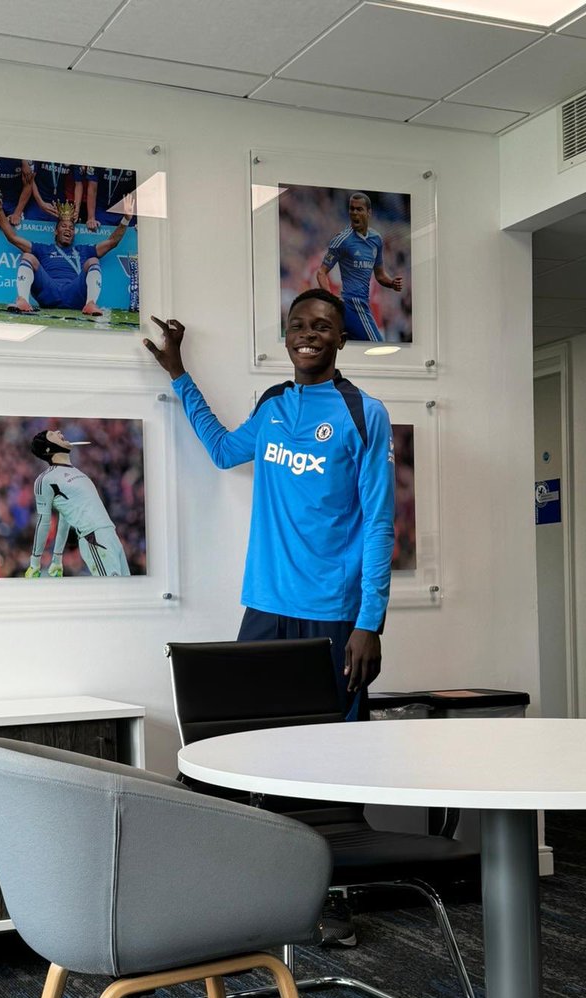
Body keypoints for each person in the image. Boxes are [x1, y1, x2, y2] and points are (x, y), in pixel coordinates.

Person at [144, 288, 395, 720]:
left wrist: (369, 623)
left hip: (332, 610)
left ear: (341, 339)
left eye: (321, 326)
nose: (307, 335)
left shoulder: (363, 412)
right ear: (285, 337)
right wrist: (179, 375)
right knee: (255, 734)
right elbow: (223, 450)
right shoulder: (273, 404)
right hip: (265, 604)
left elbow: (379, 524)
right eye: (297, 325)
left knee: (336, 742)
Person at [0, 191, 134, 318]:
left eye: (71, 227)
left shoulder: (84, 250)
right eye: (63, 226)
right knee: (28, 257)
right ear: (56, 231)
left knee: (93, 260)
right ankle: (22, 301)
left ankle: (90, 304)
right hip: (49, 292)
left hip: (74, 294)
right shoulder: (43, 249)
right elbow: (12, 238)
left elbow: (112, 242)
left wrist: (126, 219)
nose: (68, 229)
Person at [24, 430, 130, 579]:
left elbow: (65, 517)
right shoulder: (46, 479)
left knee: (126, 591)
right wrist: (35, 563)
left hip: (110, 535)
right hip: (94, 538)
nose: (58, 431)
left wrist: (57, 558)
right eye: (52, 434)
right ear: (48, 449)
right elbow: (43, 522)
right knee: (111, 593)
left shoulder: (77, 471)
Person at [315, 193, 402, 342]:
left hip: (371, 313)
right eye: (352, 209)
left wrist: (391, 283)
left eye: (359, 209)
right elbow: (321, 272)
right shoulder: (342, 241)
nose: (354, 213)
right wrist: (331, 298)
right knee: (377, 347)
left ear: (369, 212)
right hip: (352, 305)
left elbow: (380, 276)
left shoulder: (376, 240)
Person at [73, 164, 138, 231]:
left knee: (131, 233)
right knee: (96, 232)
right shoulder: (98, 160)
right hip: (101, 208)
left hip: (124, 209)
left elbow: (140, 187)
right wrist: (91, 218)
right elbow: (92, 188)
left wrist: (141, 220)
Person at [0, 156, 30, 226]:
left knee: (18, 225)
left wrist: (17, 213)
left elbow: (29, 185)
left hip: (15, 201)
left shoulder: (26, 161)